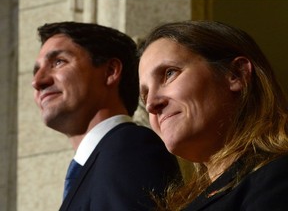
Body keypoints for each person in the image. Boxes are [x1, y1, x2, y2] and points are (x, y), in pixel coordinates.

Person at [138, 20, 288, 211]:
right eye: (145, 94)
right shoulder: (190, 199)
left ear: (236, 74)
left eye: (169, 73)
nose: (151, 104)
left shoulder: (277, 178)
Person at [32, 21, 181, 211]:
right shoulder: (93, 165)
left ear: (110, 71)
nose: (38, 81)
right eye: (37, 70)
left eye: (58, 62)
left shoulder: (131, 148)